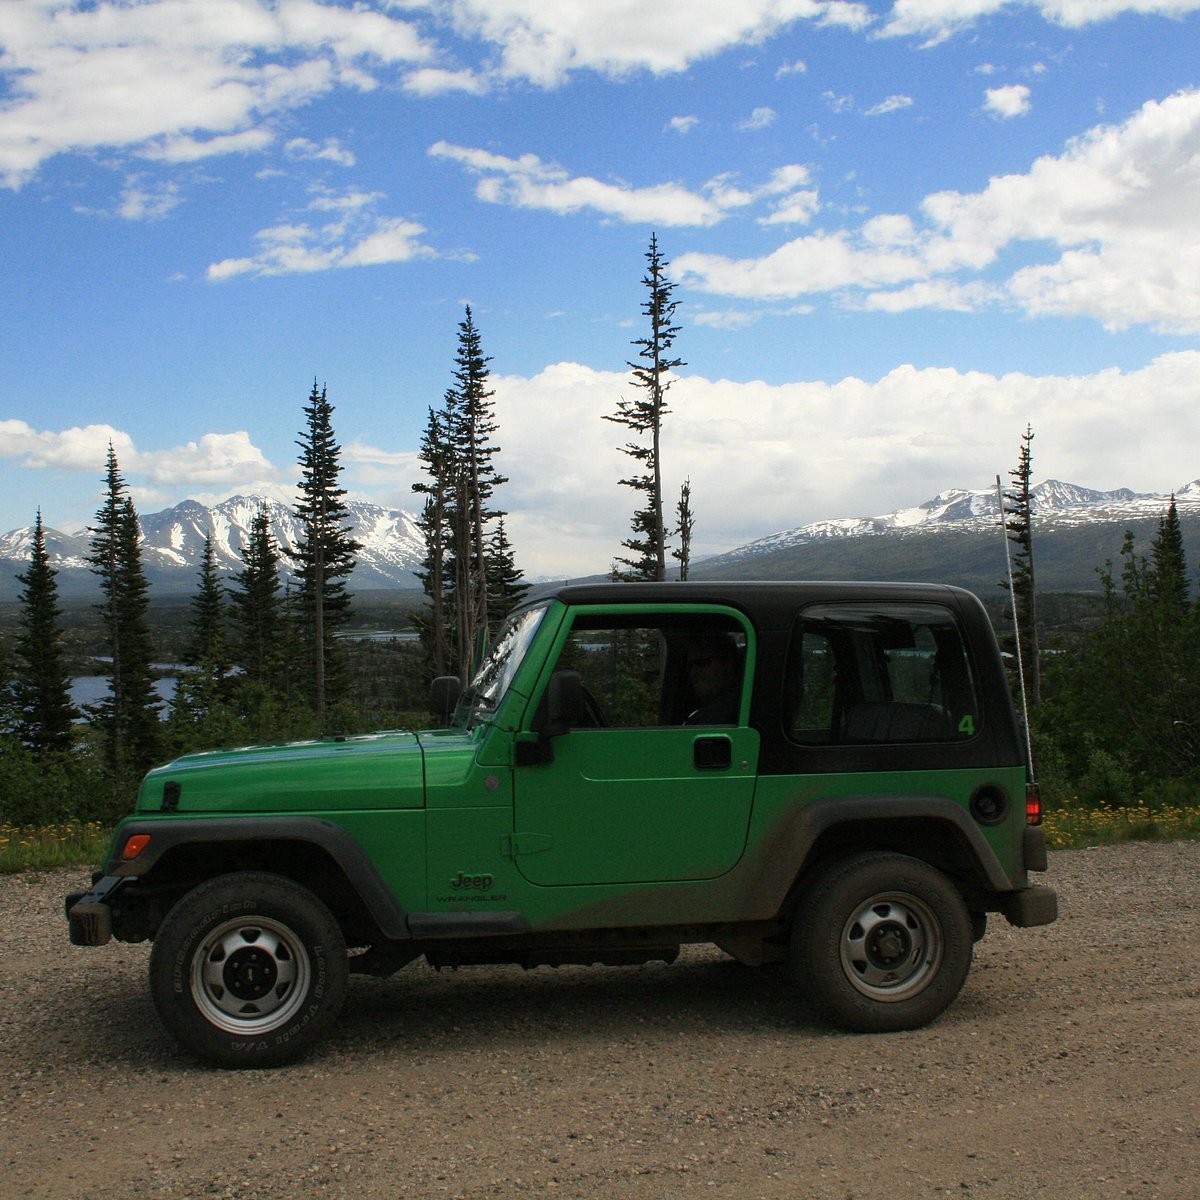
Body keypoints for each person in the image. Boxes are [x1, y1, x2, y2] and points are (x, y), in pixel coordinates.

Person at [685, 635, 742, 724]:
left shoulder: (734, 711)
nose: (694, 672)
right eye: (690, 666)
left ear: (728, 663)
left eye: (702, 662)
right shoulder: (702, 713)